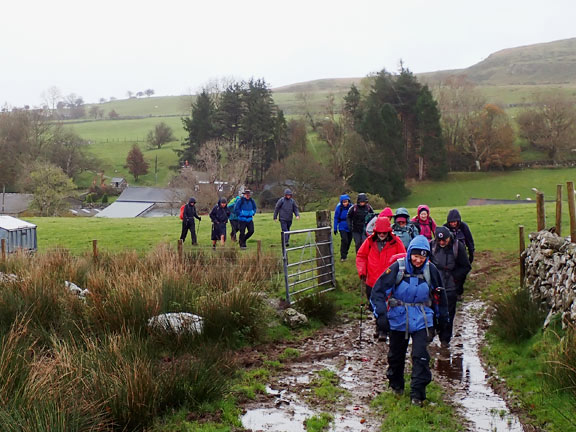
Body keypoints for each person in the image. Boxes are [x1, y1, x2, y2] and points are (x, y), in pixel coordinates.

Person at [370, 235, 449, 406]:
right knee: (396, 356)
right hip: (398, 318)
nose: (418, 260)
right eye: (415, 256)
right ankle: (396, 385)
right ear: (409, 254)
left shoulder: (431, 270)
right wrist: (381, 316)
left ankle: (417, 395)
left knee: (420, 356)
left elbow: (440, 297)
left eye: (422, 256)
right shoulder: (397, 268)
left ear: (427, 256)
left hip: (423, 318)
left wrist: (443, 321)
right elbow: (378, 291)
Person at [356, 217, 406, 338]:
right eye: (380, 232)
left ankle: (384, 330)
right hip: (372, 281)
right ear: (376, 231)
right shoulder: (369, 241)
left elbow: (403, 258)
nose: (382, 235)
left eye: (384, 232)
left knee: (387, 306)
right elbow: (361, 256)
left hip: (390, 281)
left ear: (388, 231)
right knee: (376, 306)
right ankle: (380, 326)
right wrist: (362, 271)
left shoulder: (396, 241)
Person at [430, 226, 471, 348]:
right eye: (439, 240)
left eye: (444, 240)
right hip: (433, 286)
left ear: (449, 238)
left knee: (448, 314)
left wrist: (454, 278)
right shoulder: (431, 246)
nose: (442, 243)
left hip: (450, 287)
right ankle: (432, 333)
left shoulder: (458, 247)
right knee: (431, 311)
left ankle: (445, 340)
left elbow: (466, 267)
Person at [333, 194, 352, 262]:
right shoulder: (339, 208)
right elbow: (336, 218)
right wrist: (335, 228)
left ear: (348, 201)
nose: (345, 203)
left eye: (346, 201)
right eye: (343, 202)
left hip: (350, 226)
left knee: (349, 241)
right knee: (344, 240)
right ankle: (343, 256)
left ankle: (345, 254)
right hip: (342, 226)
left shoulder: (351, 207)